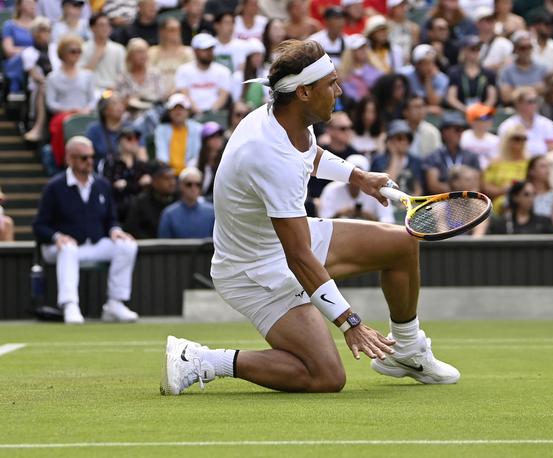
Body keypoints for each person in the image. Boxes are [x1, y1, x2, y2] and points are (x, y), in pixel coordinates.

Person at [161, 40, 459, 396]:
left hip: (282, 244)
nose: (339, 90)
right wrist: (350, 322)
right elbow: (299, 256)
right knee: (326, 377)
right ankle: (200, 359)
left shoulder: (288, 118)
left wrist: (358, 176)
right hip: (253, 272)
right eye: (330, 84)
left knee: (402, 244)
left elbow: (308, 152)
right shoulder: (268, 156)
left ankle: (407, 351)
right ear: (303, 92)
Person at [32, 136, 139, 324]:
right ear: (70, 159)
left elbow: (111, 218)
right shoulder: (54, 187)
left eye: (92, 157)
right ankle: (70, 304)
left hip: (95, 244)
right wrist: (57, 236)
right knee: (68, 249)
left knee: (127, 245)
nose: (89, 161)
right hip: (59, 248)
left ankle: (115, 303)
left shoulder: (102, 185)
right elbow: (39, 225)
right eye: (83, 158)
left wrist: (115, 230)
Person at [46, 34, 96, 169]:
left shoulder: (87, 75)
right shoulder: (52, 77)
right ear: (63, 53)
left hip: (84, 114)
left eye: (79, 51)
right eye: (72, 51)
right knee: (61, 124)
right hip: (63, 115)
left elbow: (92, 100)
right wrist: (68, 110)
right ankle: (64, 160)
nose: (76, 54)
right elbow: (51, 103)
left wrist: (85, 109)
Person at [319, 154, 395, 223]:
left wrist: (370, 218)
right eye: (351, 173)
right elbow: (323, 219)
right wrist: (340, 214)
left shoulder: (378, 190)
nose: (355, 177)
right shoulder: (332, 189)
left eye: (360, 173)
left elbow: (388, 221)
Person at [20, 17, 59, 143]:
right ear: (34, 33)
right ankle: (38, 127)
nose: (45, 34)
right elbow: (35, 75)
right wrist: (50, 82)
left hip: (59, 84)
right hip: (39, 87)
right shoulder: (28, 52)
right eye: (41, 30)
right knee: (44, 88)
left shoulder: (56, 48)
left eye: (47, 30)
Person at [424, 112, 481, 194]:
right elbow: (433, 185)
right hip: (440, 201)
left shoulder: (472, 156)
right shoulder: (433, 157)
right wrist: (458, 193)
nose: (460, 133)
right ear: (445, 132)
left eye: (462, 130)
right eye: (457, 129)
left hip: (468, 201)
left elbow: (477, 185)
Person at [175, 33, 232, 115]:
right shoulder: (183, 70)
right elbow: (184, 94)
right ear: (195, 51)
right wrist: (197, 111)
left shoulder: (223, 71)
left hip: (215, 114)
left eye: (211, 49)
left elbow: (223, 95)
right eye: (205, 49)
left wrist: (210, 112)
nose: (209, 53)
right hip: (190, 114)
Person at [103, 127, 151, 222]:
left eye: (136, 138)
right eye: (129, 138)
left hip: (140, 210)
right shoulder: (111, 163)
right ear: (120, 141)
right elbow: (110, 188)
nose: (133, 142)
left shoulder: (141, 165)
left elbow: (147, 185)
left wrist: (127, 185)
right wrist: (137, 184)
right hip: (119, 209)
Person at [309, 112, 359, 199]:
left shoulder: (356, 155)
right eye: (343, 128)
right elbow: (314, 190)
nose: (348, 131)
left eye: (350, 127)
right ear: (329, 130)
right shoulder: (319, 154)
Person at [498, 86, 553, 157]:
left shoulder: (547, 124)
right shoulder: (507, 126)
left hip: (543, 163)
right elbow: (505, 151)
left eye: (536, 101)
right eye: (530, 101)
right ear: (518, 104)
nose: (534, 104)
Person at [482, 123, 530, 212]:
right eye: (516, 139)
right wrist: (502, 190)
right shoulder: (495, 163)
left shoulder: (529, 162)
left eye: (524, 139)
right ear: (507, 140)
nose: (520, 142)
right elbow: (485, 186)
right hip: (500, 201)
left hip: (525, 200)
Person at [124, 162, 176, 239]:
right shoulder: (141, 202)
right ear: (154, 181)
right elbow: (132, 228)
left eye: (173, 178)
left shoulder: (179, 199)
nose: (172, 182)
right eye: (166, 178)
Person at [445, 35, 497, 112]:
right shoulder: (454, 72)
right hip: (461, 113)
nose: (475, 52)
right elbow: (451, 98)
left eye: (478, 49)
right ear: (464, 51)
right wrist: (466, 110)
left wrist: (480, 110)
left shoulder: (488, 73)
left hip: (482, 113)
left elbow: (492, 98)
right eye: (472, 49)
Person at [371, 120, 424, 197]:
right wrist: (394, 157)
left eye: (408, 139)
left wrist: (409, 203)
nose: (404, 142)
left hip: (410, 204)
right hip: (387, 203)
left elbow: (418, 190)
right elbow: (386, 186)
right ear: (390, 140)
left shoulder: (416, 161)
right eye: (399, 138)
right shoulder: (379, 161)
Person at [158, 167, 214, 238]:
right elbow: (164, 244)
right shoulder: (169, 214)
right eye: (189, 184)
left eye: (198, 184)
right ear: (181, 185)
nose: (194, 188)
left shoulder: (211, 212)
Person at [155, 93, 203, 175]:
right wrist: (168, 171)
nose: (178, 112)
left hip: (190, 172)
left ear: (188, 111)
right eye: (175, 108)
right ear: (169, 112)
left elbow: (196, 155)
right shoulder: (161, 129)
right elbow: (161, 156)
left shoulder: (197, 129)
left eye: (181, 108)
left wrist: (187, 171)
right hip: (169, 173)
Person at [79, 14, 126, 97]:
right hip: (90, 92)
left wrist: (113, 88)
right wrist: (96, 56)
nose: (105, 28)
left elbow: (122, 74)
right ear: (92, 28)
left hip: (111, 92)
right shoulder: (82, 48)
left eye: (107, 25)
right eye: (101, 25)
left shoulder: (119, 49)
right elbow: (81, 76)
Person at [497, 31, 547, 105]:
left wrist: (515, 91)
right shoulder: (506, 70)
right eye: (523, 48)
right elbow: (506, 97)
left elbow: (546, 91)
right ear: (515, 49)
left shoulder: (542, 68)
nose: (527, 51)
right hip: (514, 109)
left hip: (539, 109)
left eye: (529, 47)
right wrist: (535, 89)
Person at [487, 180, 553, 234]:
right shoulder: (502, 223)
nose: (531, 198)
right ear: (515, 197)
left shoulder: (544, 222)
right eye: (526, 194)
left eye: (533, 194)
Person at [148, 18, 195, 96]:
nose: (176, 33)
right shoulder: (152, 52)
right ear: (162, 32)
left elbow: (191, 76)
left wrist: (175, 90)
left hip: (181, 95)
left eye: (178, 29)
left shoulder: (188, 52)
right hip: (155, 94)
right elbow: (147, 75)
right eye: (172, 30)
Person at [115, 38, 167, 108]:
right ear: (130, 55)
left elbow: (161, 96)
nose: (142, 56)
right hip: (131, 113)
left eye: (144, 52)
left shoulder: (155, 74)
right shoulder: (123, 77)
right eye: (138, 52)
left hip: (153, 111)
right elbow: (119, 100)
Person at [85, 92, 128, 168]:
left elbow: (141, 154)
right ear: (105, 110)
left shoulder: (130, 128)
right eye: (114, 104)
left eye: (120, 103)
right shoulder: (94, 130)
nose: (120, 107)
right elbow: (86, 156)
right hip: (101, 173)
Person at [338, 34, 383, 103]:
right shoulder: (344, 74)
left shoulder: (374, 69)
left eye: (365, 47)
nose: (363, 51)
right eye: (359, 48)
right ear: (350, 52)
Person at [526, 155, 553, 231]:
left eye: (548, 166)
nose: (547, 170)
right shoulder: (523, 194)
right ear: (531, 171)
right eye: (542, 166)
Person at [191, 121, 225, 199]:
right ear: (205, 141)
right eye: (213, 136)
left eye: (219, 136)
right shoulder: (194, 164)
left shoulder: (225, 160)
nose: (217, 139)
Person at [474, 7, 512, 74]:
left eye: (493, 19)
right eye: (487, 20)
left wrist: (485, 68)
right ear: (478, 23)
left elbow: (509, 64)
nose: (491, 22)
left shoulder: (504, 43)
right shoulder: (472, 43)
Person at [460, 103, 498, 169]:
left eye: (489, 118)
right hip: (467, 172)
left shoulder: (495, 140)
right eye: (483, 118)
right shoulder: (463, 136)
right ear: (472, 121)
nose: (487, 121)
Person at [403, 94, 441, 159]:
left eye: (422, 106)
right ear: (406, 112)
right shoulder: (397, 130)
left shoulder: (432, 132)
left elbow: (437, 158)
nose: (420, 110)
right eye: (416, 107)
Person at [387, 0, 419, 66]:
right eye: (400, 6)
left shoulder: (414, 28)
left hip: (408, 64)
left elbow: (414, 49)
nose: (403, 8)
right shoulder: (385, 26)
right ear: (392, 8)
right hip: (390, 63)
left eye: (404, 5)